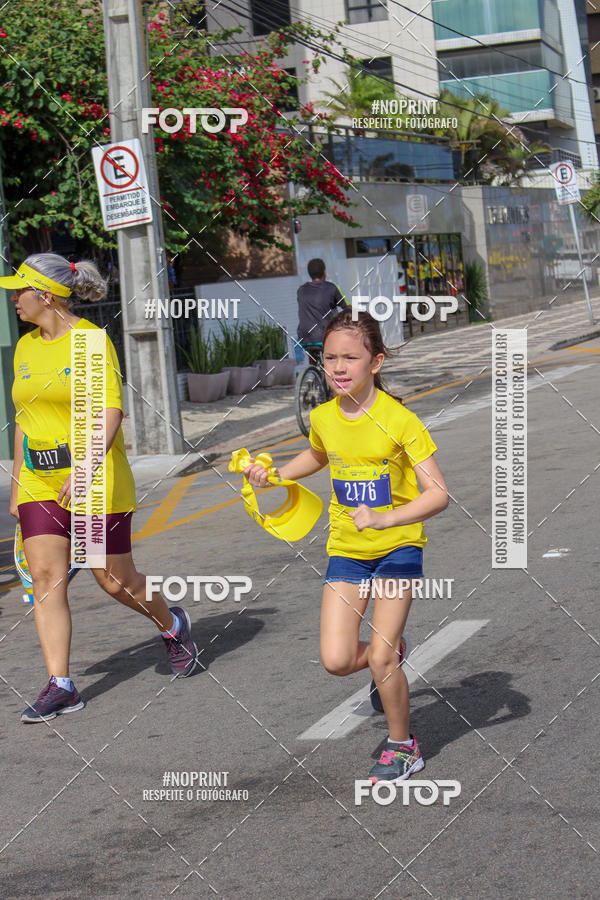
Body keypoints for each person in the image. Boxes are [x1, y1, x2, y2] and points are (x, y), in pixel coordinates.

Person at [244, 308, 449, 782]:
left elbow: (438, 493)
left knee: (377, 653)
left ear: (374, 363)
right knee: (337, 660)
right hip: (347, 549)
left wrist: (387, 517)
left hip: (398, 546)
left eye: (349, 358)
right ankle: (394, 656)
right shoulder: (323, 417)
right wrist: (272, 474)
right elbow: (318, 454)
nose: (337, 368)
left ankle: (404, 746)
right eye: (329, 358)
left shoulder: (400, 421)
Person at [3, 253, 198, 724]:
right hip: (39, 479)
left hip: (92, 480)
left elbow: (109, 413)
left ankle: (172, 625)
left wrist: (87, 467)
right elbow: (25, 418)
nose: (13, 298)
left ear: (45, 294)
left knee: (112, 579)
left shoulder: (89, 342)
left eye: (19, 290)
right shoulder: (25, 347)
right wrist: (17, 485)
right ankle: (61, 685)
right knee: (45, 580)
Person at [296, 258, 346, 359]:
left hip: (304, 337)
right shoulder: (331, 288)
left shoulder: (301, 290)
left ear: (309, 274)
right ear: (324, 272)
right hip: (325, 336)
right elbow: (347, 307)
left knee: (313, 355)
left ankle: (313, 372)